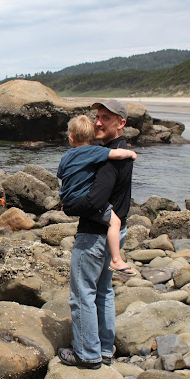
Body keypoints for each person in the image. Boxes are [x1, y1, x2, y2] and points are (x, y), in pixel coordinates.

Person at [57, 99, 135, 370]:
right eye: (97, 117)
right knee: (103, 291)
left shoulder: (106, 159)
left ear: (121, 123)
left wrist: (68, 207)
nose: (99, 122)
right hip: (115, 231)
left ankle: (86, 354)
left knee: (82, 295)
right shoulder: (117, 151)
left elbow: (93, 202)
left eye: (106, 118)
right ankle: (103, 349)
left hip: (94, 236)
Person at [57, 115, 136, 276]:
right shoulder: (95, 151)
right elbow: (117, 154)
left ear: (71, 138)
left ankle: (115, 260)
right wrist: (131, 154)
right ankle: (116, 259)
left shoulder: (66, 156)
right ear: (93, 137)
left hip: (68, 198)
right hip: (83, 199)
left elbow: (61, 175)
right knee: (115, 222)